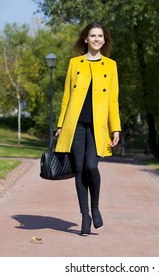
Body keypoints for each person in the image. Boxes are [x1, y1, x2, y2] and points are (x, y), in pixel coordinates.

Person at [55, 22, 121, 236]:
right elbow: (66, 96)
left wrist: (115, 129)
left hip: (98, 127)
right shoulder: (75, 63)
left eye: (100, 36)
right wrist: (60, 124)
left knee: (91, 167)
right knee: (79, 169)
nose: (96, 39)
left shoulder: (110, 65)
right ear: (85, 39)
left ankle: (95, 207)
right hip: (76, 125)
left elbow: (113, 100)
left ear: (104, 40)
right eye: (92, 35)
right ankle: (85, 216)